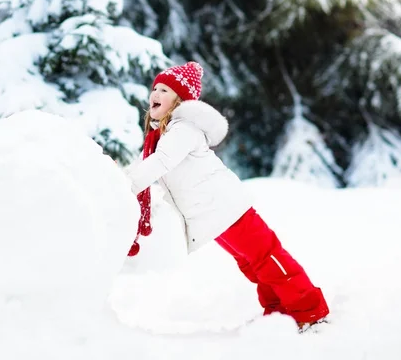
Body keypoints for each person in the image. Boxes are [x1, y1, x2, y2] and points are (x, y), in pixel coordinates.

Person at [124, 61, 329, 330]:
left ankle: (310, 311)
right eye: (155, 89)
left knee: (266, 257)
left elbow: (159, 163)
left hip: (227, 208)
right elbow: (146, 166)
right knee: (253, 265)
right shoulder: (164, 135)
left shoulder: (183, 128)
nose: (155, 95)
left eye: (164, 90)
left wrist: (126, 185)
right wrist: (120, 177)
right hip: (210, 216)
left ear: (179, 99)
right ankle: (279, 313)